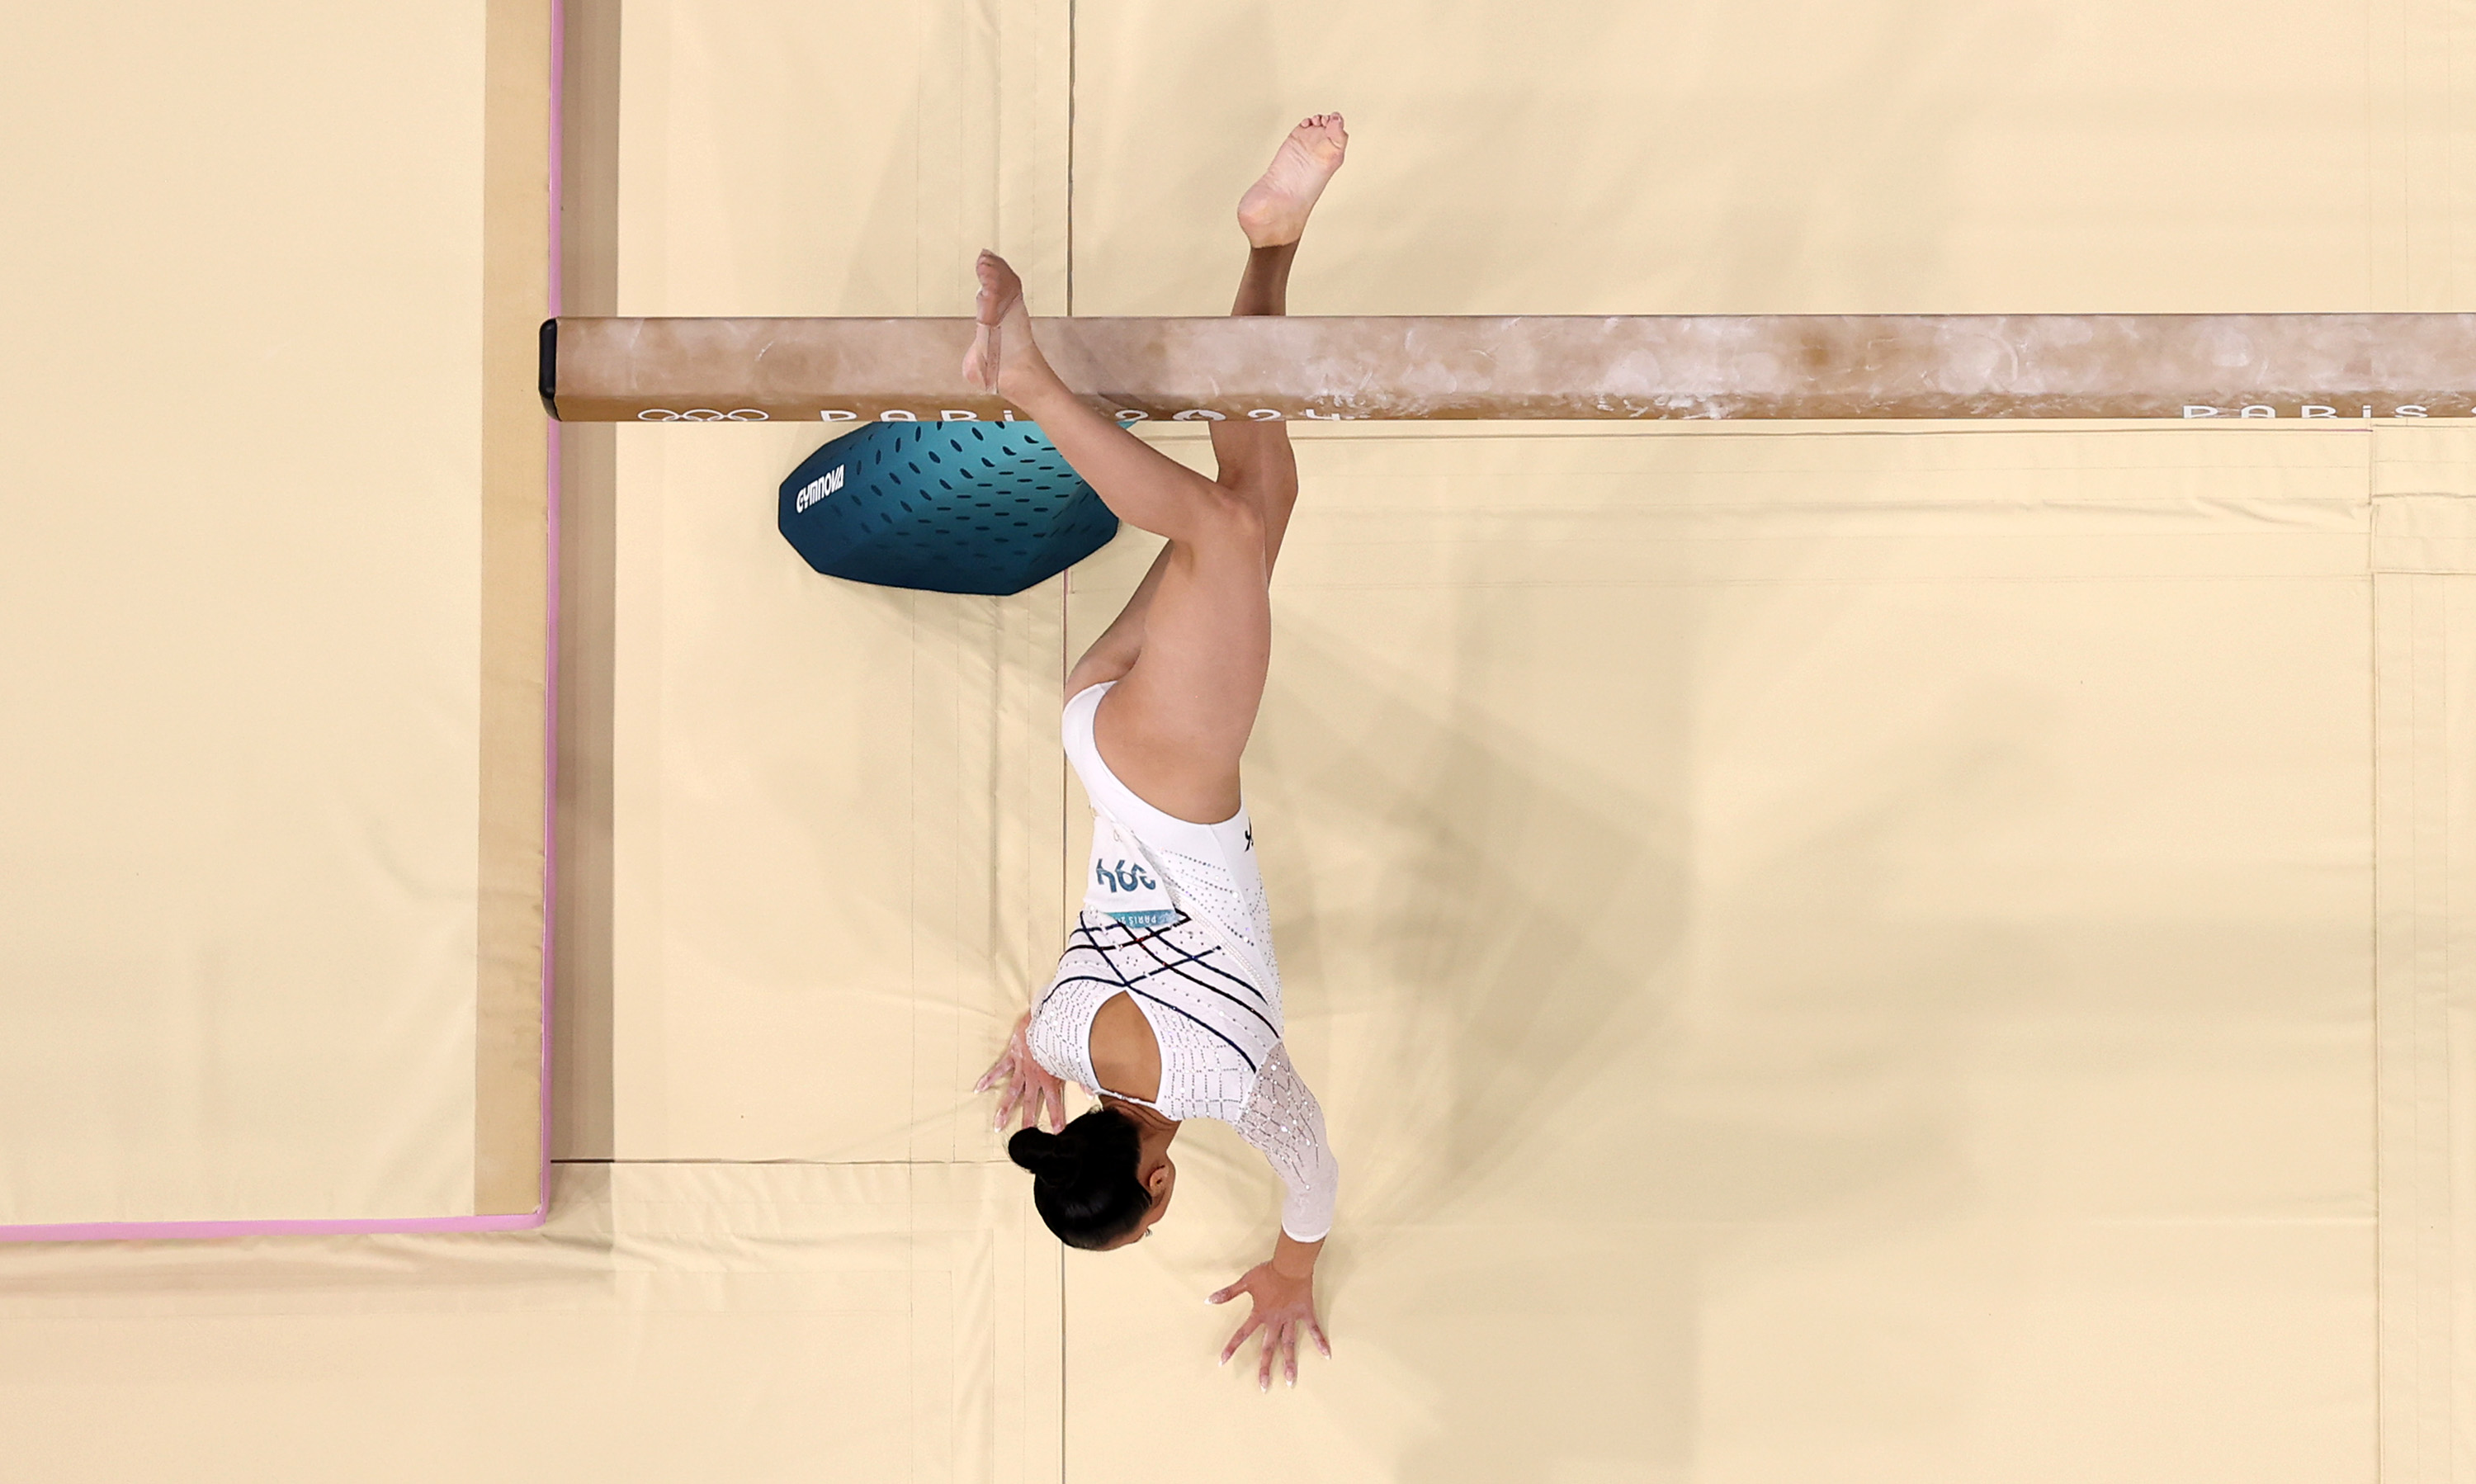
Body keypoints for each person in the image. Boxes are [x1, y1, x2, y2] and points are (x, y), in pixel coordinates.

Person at [969, 114, 1349, 1392]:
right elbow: (1041, 1016)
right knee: (1259, 501)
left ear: (1162, 1180)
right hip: (1104, 725)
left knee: (1222, 531)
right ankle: (1271, 245)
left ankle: (1026, 386)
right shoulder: (1070, 1042)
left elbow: (1312, 1168)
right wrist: (1028, 1053)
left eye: (1152, 1208)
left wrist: (1297, 1263)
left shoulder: (1227, 1075)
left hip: (1177, 774)